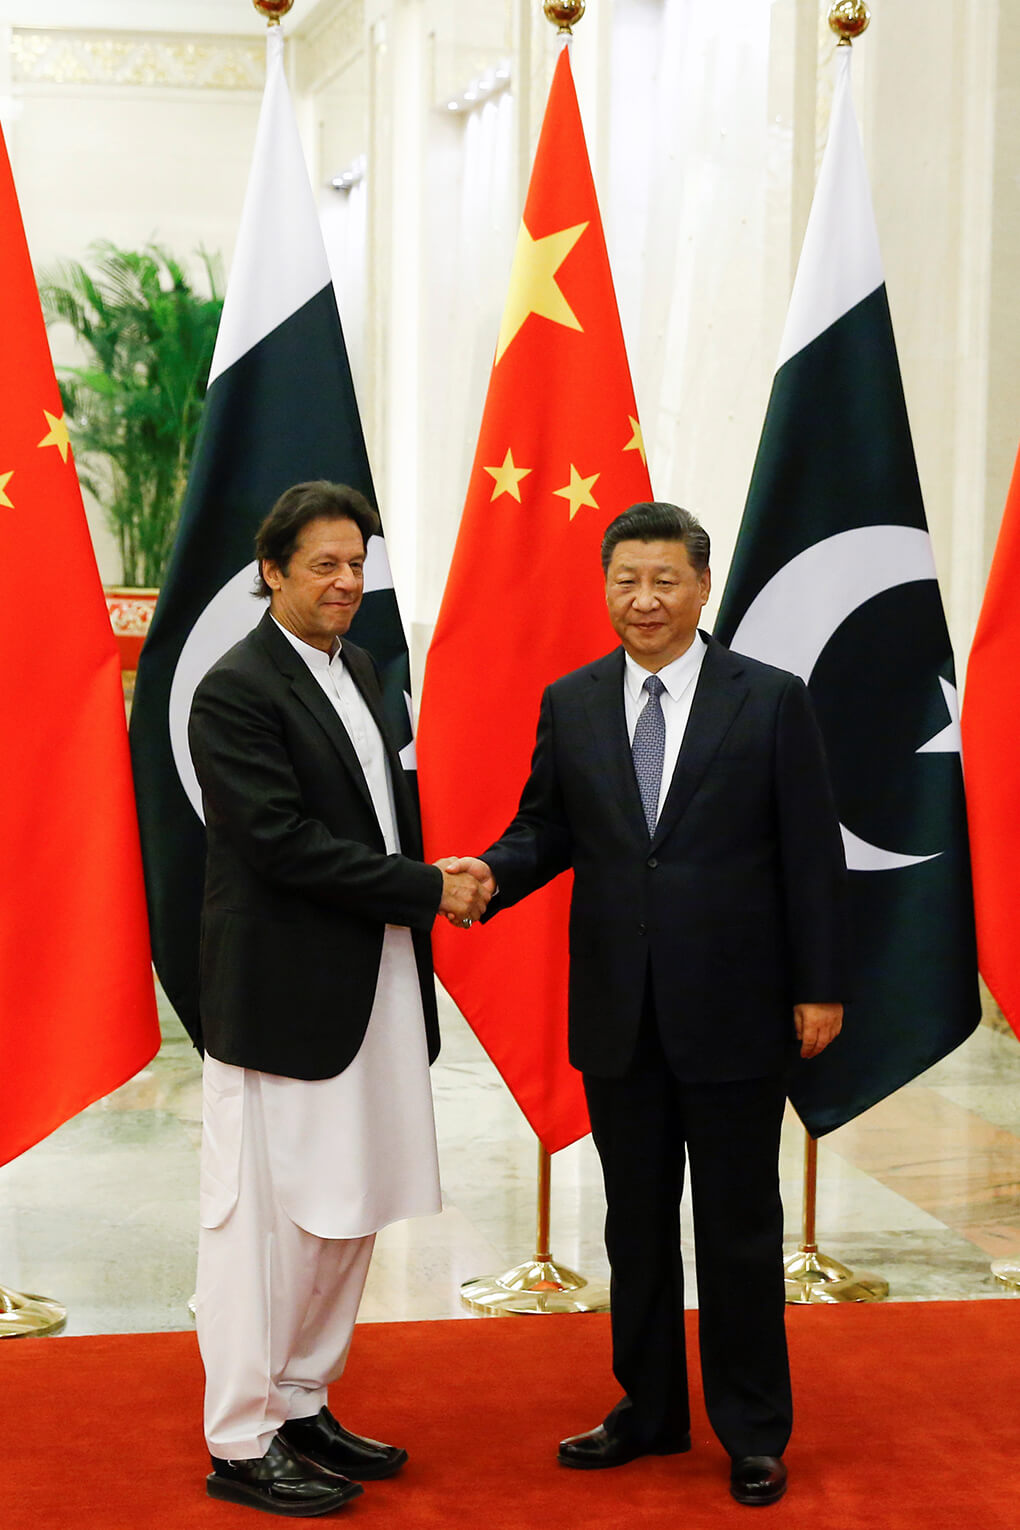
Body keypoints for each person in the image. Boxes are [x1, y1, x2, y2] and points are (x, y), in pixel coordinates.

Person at [448, 501, 846, 1507]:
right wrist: (484, 877)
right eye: (626, 579)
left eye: (664, 580)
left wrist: (820, 985)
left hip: (739, 1012)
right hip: (620, 1015)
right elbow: (546, 830)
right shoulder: (574, 701)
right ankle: (650, 1410)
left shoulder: (770, 700)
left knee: (739, 1226)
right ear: (606, 585)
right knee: (634, 1224)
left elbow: (811, 856)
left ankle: (754, 1430)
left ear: (702, 587)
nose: (645, 600)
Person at [187, 480, 489, 1516]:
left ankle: (304, 1398)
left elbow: (370, 823)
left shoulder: (360, 668)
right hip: (282, 998)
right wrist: (423, 890)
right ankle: (240, 1438)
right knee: (267, 1228)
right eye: (324, 563)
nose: (346, 582)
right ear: (271, 571)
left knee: (350, 1207)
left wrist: (426, 871)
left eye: (357, 563)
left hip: (374, 979)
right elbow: (277, 845)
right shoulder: (234, 688)